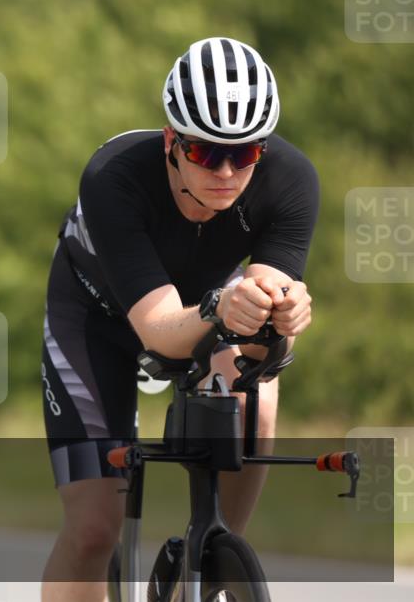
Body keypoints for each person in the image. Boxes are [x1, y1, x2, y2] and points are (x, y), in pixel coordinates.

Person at [40, 37, 317, 601]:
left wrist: (282, 317)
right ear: (171, 140)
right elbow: (162, 333)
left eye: (243, 155)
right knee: (95, 530)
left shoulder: (291, 180)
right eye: (203, 153)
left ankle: (217, 554)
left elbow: (261, 339)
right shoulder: (113, 174)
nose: (224, 170)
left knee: (254, 394)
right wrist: (222, 305)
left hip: (204, 308)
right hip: (97, 317)